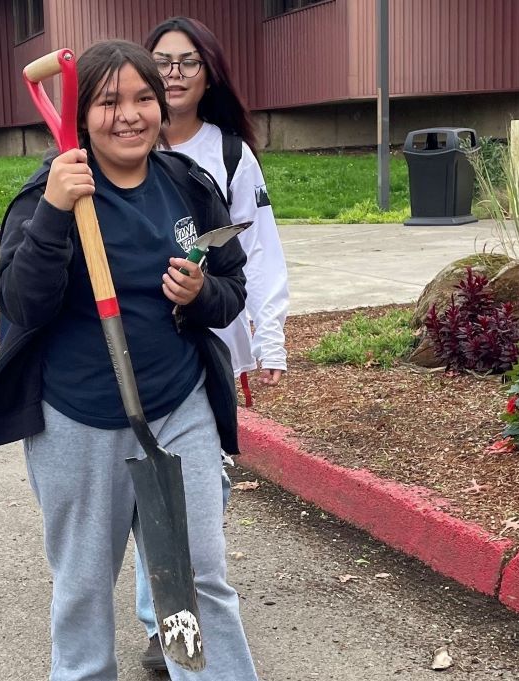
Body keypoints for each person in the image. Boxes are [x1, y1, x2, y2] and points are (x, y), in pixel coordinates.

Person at [0, 40, 261, 681]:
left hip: (177, 405)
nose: (128, 115)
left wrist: (201, 291)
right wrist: (53, 212)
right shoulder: (48, 194)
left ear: (162, 109)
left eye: (143, 99)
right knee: (83, 586)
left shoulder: (187, 186)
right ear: (82, 116)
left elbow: (232, 288)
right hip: (77, 415)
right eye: (108, 101)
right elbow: (21, 299)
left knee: (193, 580)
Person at [130, 16, 291, 672]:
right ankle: (164, 623)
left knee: (200, 488)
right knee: (153, 482)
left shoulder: (229, 155)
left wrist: (270, 335)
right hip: (141, 347)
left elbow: (259, 250)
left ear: (209, 73)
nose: (172, 73)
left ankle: (179, 619)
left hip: (212, 343)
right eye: (161, 61)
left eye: (186, 62)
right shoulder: (124, 140)